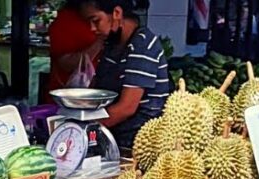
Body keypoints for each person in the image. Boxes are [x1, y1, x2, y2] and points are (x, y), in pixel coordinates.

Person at [81, 0, 171, 149]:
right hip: (112, 136)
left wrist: (85, 128)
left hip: (137, 144)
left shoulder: (143, 44)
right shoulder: (111, 45)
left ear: (117, 13)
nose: (92, 28)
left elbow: (126, 108)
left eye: (96, 21)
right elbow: (96, 88)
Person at [47, 0, 105, 101]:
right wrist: (100, 42)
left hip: (98, 93)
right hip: (70, 96)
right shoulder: (65, 22)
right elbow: (66, 64)